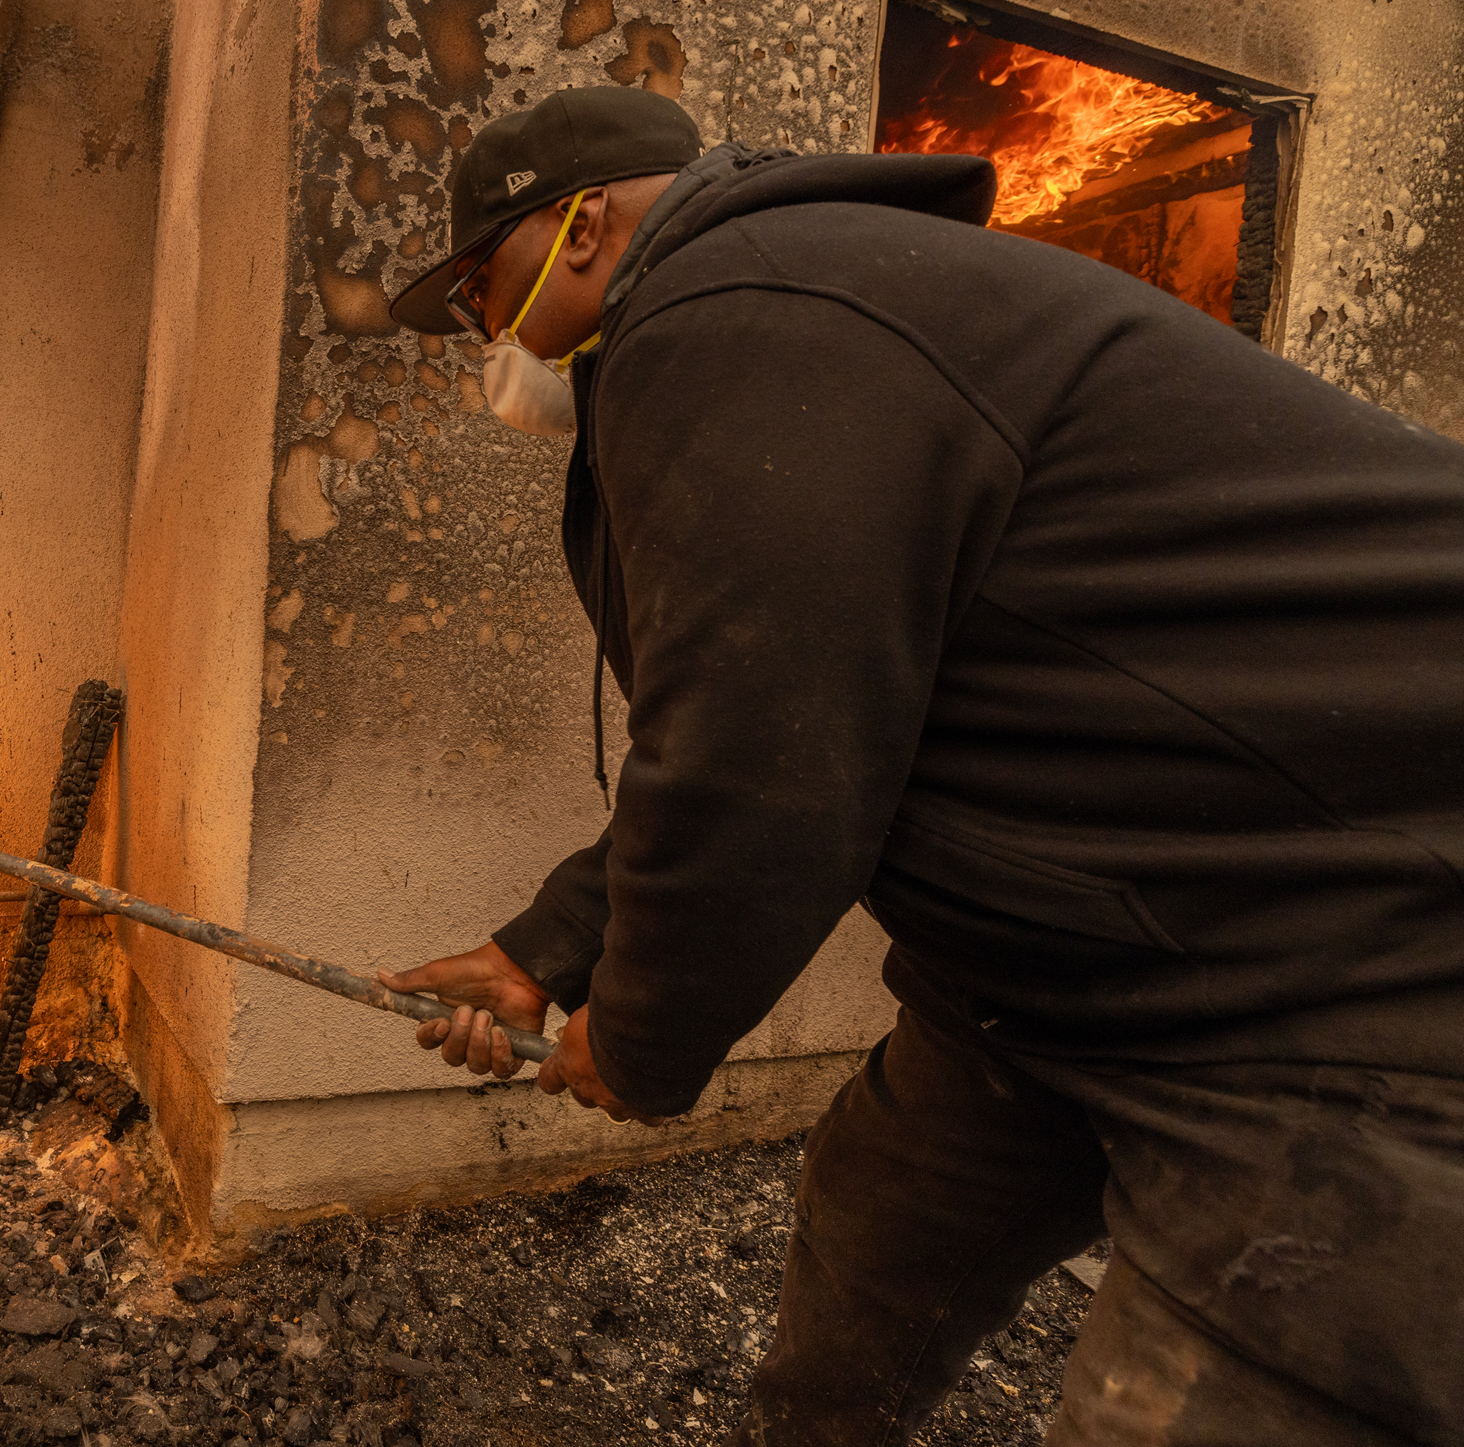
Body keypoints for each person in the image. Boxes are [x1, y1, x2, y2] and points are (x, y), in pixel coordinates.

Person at [376, 86, 1464, 1445]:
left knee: (1201, 1398)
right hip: (1067, 967)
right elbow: (818, 707)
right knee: (875, 1232)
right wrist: (548, 948)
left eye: (481, 291)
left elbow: (755, 766)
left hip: (1333, 979)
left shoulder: (737, 313)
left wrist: (638, 1040)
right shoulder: (776, 315)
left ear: (583, 223)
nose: (483, 335)